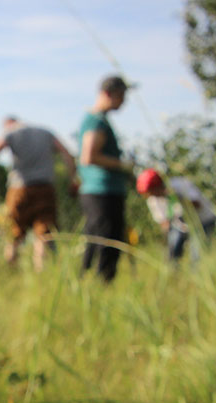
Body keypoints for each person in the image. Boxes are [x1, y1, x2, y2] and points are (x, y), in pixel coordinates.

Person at [0, 116, 78, 271]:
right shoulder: (46, 132)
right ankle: (41, 274)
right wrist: (72, 180)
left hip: (19, 189)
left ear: (7, 125)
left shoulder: (10, 132)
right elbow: (67, 155)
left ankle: (10, 273)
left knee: (14, 234)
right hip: (45, 188)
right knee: (43, 234)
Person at [78, 75, 135, 282]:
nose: (124, 102)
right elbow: (89, 156)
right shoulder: (97, 120)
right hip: (103, 191)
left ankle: (89, 284)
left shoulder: (97, 119)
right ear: (109, 93)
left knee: (96, 239)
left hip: (99, 191)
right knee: (108, 242)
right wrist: (123, 165)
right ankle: (100, 284)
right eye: (122, 96)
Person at [136, 168, 216, 261]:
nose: (151, 195)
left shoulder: (179, 185)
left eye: (151, 191)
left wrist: (177, 197)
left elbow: (198, 205)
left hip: (203, 221)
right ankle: (173, 271)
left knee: (197, 254)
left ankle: (197, 271)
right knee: (172, 250)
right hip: (180, 225)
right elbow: (164, 222)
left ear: (157, 186)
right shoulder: (153, 200)